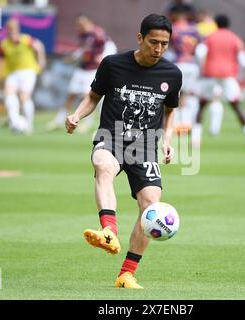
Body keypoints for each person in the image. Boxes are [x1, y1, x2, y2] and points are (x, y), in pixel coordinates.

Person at [65, 14, 182, 289]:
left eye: (165, 43)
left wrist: (167, 140)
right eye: (153, 42)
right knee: (103, 166)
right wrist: (77, 115)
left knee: (151, 207)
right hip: (111, 138)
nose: (159, 49)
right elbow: (94, 96)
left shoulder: (172, 74)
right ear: (140, 38)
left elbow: (170, 111)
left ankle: (126, 274)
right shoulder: (113, 64)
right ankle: (109, 231)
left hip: (144, 148)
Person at [194, 14, 245, 149]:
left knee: (201, 107)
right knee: (237, 108)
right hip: (228, 77)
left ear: (216, 24)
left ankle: (195, 140)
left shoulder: (210, 38)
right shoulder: (235, 39)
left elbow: (199, 54)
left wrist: (202, 69)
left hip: (210, 75)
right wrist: (238, 76)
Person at [47, 14, 116, 132]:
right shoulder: (83, 35)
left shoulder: (98, 33)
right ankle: (58, 120)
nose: (80, 26)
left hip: (93, 70)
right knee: (71, 95)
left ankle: (86, 123)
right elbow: (83, 50)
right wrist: (74, 57)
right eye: (78, 24)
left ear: (89, 22)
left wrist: (104, 57)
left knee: (88, 95)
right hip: (81, 69)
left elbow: (110, 46)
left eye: (82, 24)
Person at [0, 19, 46, 134]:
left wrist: (41, 61)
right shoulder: (3, 44)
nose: (12, 33)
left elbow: (39, 46)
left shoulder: (26, 39)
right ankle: (15, 122)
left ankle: (29, 126)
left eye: (14, 30)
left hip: (28, 71)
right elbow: (0, 56)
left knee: (24, 97)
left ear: (18, 30)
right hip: (12, 72)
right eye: (10, 31)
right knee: (9, 95)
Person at [170, 8, 201, 133]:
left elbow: (169, 46)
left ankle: (176, 123)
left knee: (176, 94)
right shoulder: (195, 29)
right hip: (192, 65)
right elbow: (200, 47)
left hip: (179, 63)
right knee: (188, 95)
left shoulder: (173, 28)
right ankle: (187, 123)